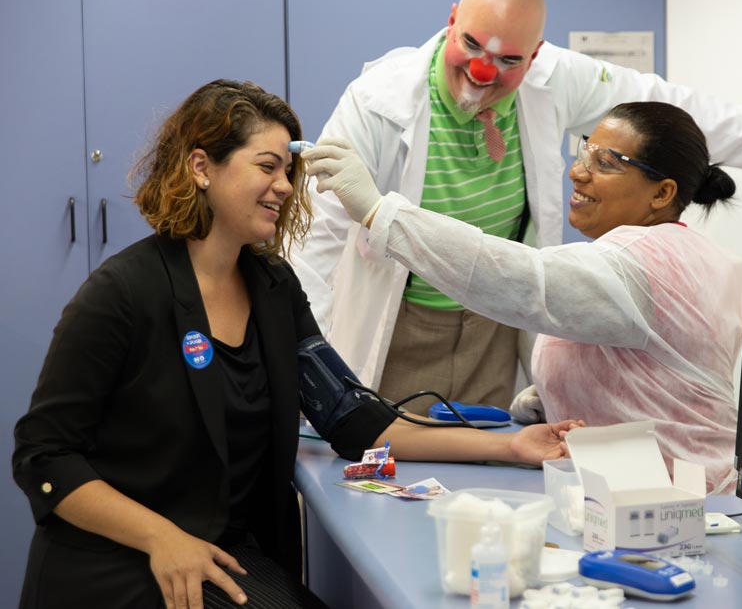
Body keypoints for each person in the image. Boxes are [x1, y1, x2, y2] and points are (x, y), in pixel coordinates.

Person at [11, 79, 581, 609]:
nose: (285, 186)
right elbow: (44, 456)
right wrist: (161, 537)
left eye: (289, 170)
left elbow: (353, 419)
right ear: (201, 167)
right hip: (124, 559)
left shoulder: (273, 288)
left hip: (225, 554)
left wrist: (509, 447)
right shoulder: (123, 292)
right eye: (267, 167)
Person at [290, 0, 742, 413]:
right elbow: (316, 242)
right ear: (451, 19)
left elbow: (654, 103)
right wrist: (305, 368)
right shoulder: (377, 101)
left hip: (494, 328)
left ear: (536, 54)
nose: (481, 71)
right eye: (471, 45)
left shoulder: (556, 78)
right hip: (401, 323)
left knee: (487, 477)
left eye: (508, 61)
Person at [304, 100, 742, 494]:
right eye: (584, 150)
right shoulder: (686, 253)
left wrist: (381, 214)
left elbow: (519, 279)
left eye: (606, 162)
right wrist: (566, 387)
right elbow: (662, 365)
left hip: (682, 503)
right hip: (646, 492)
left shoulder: (643, 260)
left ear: (662, 193)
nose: (577, 171)